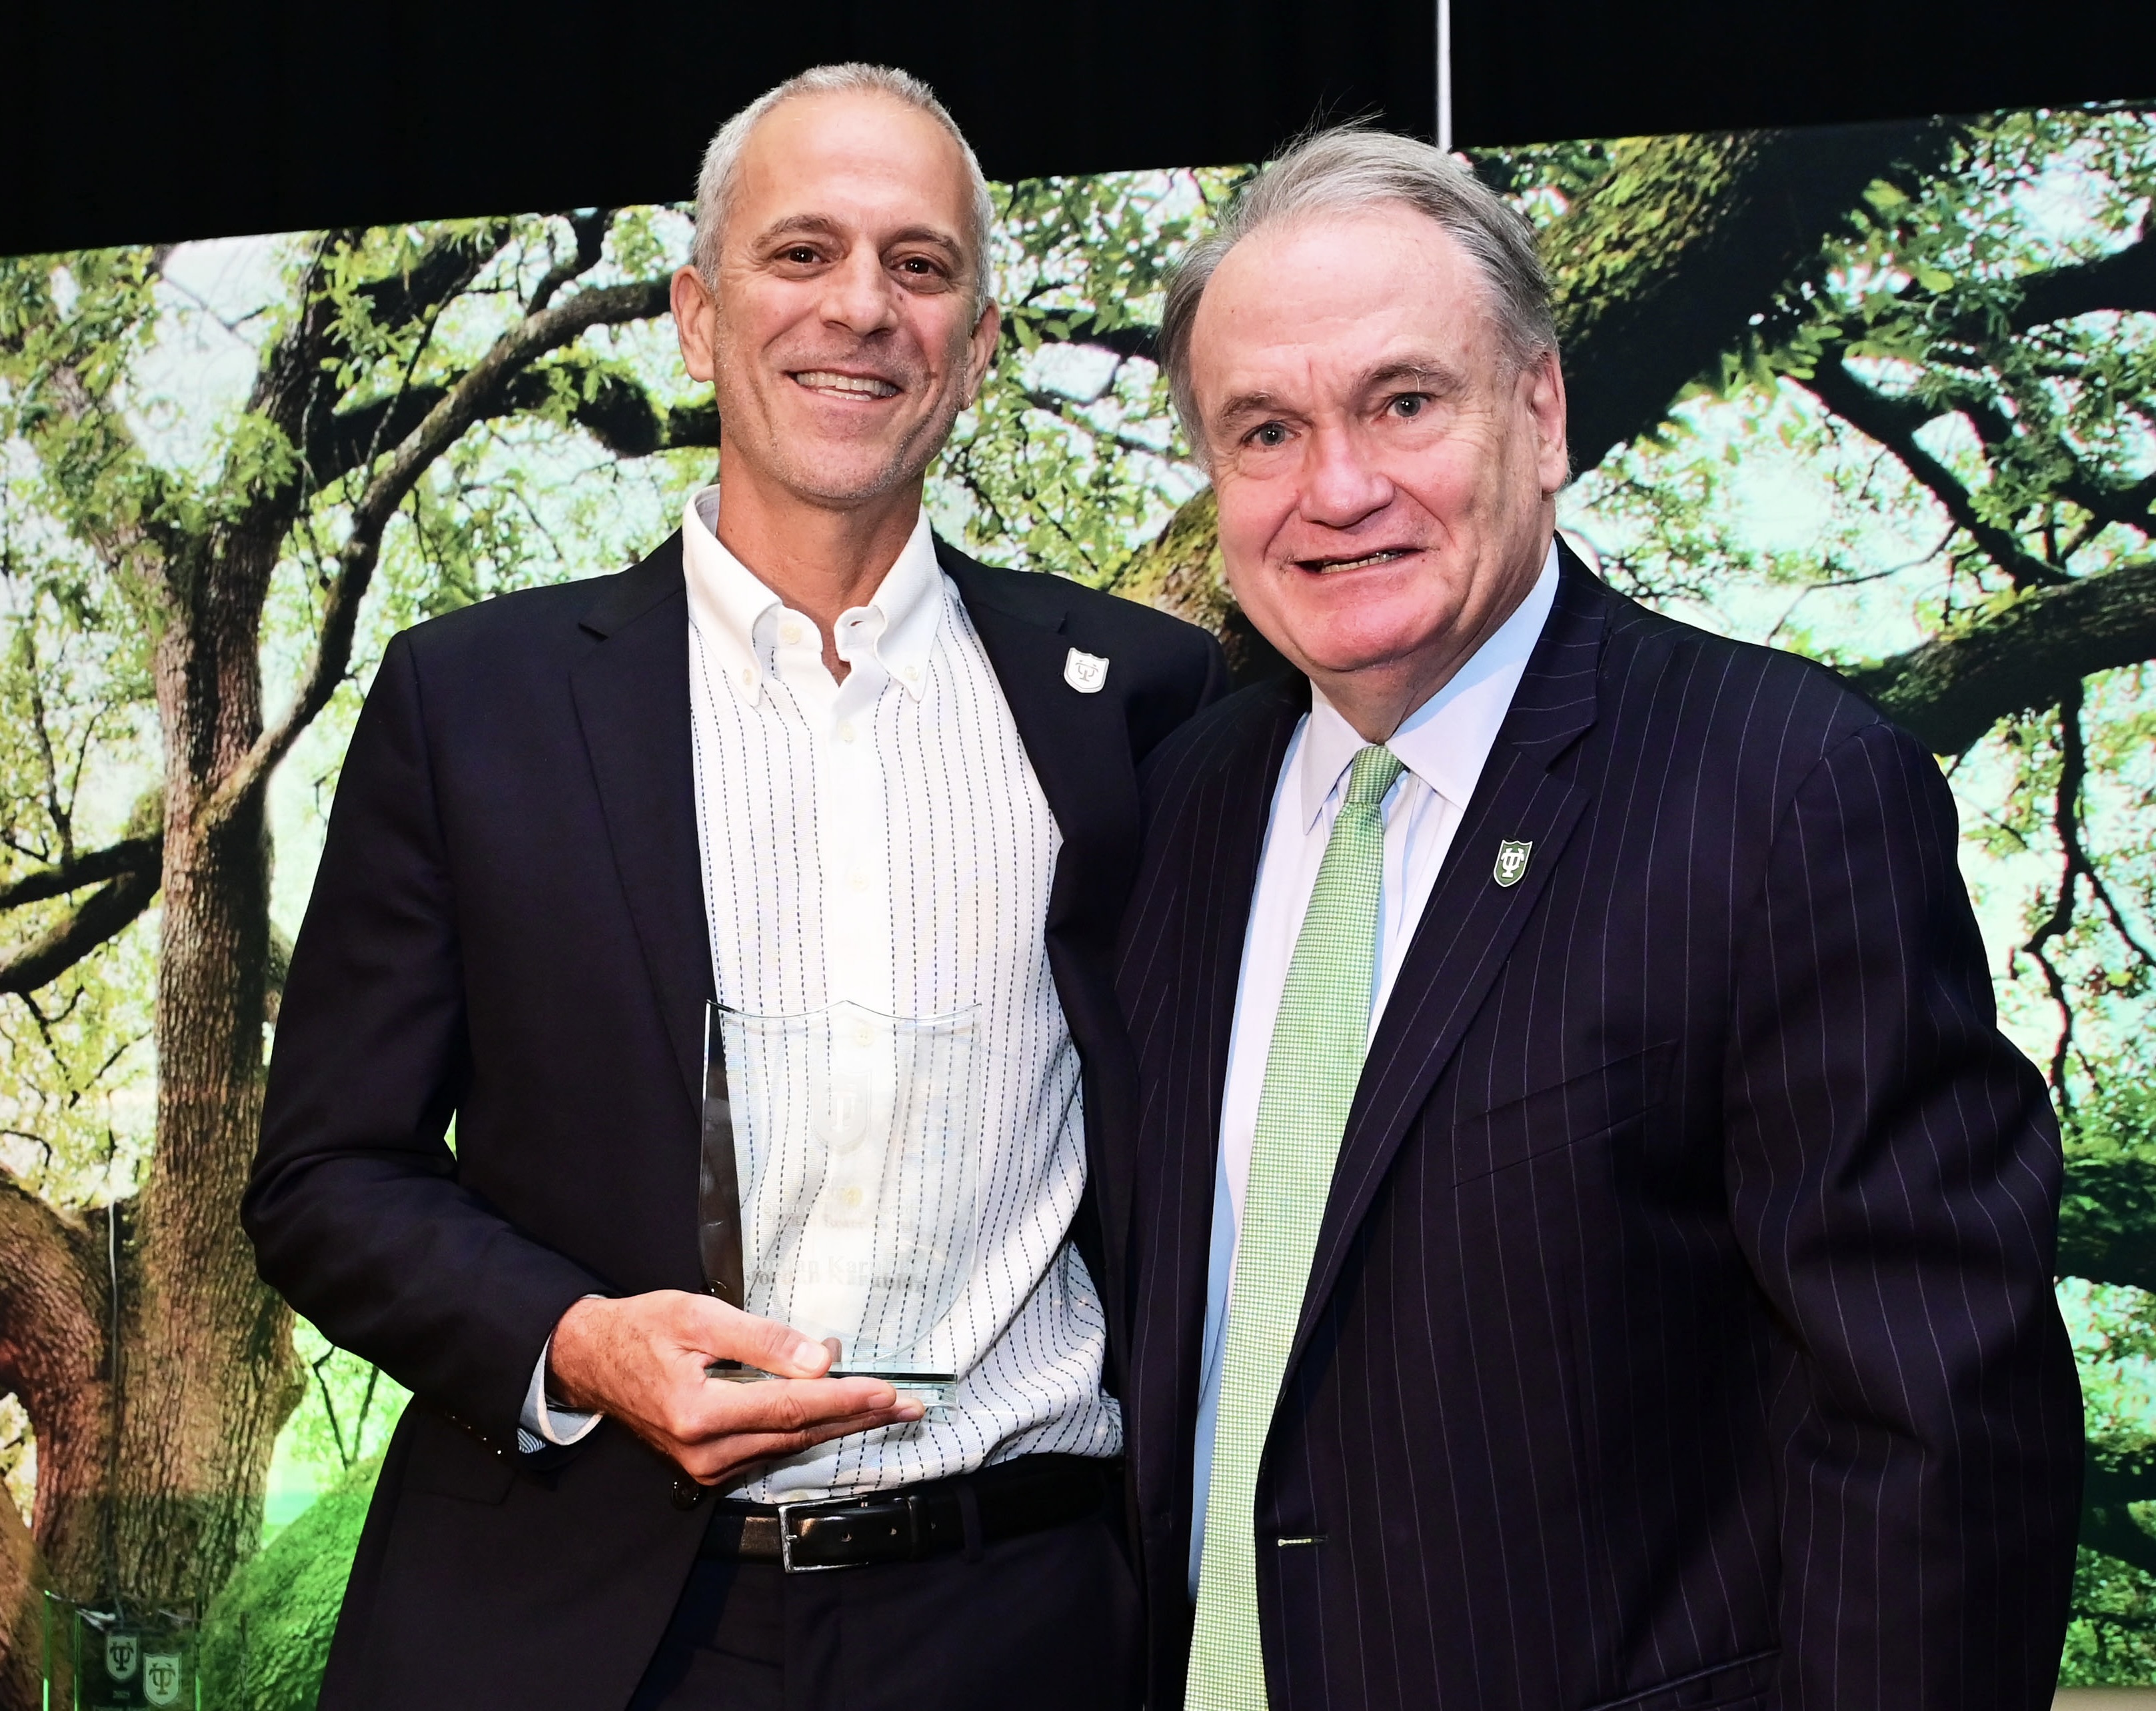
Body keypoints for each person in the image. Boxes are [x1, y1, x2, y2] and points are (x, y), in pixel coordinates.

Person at [246, 63, 1222, 1710]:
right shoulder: (471, 700)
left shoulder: (1147, 703)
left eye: (920, 267)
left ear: (976, 347)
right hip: (576, 1621)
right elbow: (329, 1174)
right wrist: (576, 1344)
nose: (861, 308)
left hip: (1024, 1624)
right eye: (801, 254)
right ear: (697, 315)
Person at [1113, 125, 2084, 1711]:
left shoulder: (1782, 792)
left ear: (1542, 411)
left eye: (1402, 403)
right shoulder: (1176, 811)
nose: (1335, 488)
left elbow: (1939, 1427)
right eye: (1264, 431)